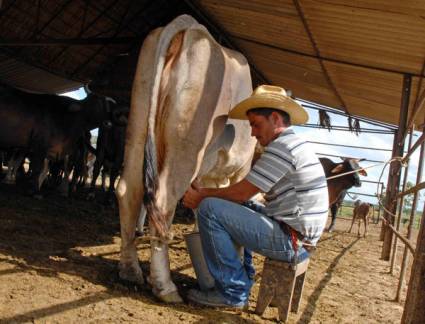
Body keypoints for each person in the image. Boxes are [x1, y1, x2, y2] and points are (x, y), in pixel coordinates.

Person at [183, 85, 329, 309]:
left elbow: (241, 191)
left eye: (255, 124)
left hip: (292, 241)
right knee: (241, 205)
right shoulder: (296, 144)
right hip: (297, 235)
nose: (252, 133)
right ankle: (243, 279)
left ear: (274, 118)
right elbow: (244, 196)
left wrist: (201, 195)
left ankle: (232, 293)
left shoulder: (283, 147)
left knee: (210, 209)